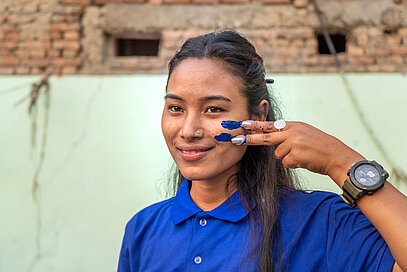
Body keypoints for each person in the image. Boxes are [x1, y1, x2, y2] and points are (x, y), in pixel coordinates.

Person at [118, 30, 407, 272]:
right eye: (176, 108)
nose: (188, 130)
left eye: (213, 109)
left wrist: (340, 161)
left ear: (258, 117)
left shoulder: (321, 221)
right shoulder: (143, 230)